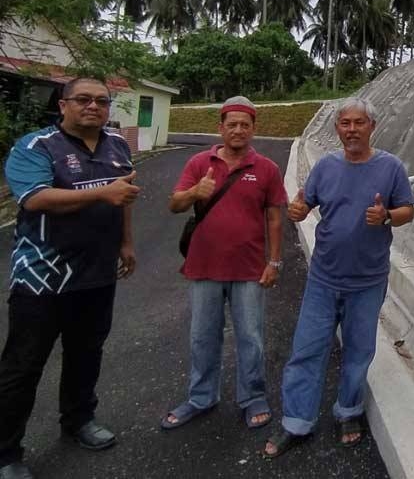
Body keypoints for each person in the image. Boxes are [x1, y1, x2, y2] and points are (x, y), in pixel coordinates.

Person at [0, 78, 139, 479]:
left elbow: (123, 195)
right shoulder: (36, 146)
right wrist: (101, 194)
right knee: (23, 366)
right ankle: (6, 452)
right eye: (83, 99)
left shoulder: (117, 145)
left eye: (101, 100)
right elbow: (36, 198)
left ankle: (78, 420)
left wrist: (126, 243)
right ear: (63, 105)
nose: (93, 106)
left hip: (96, 276)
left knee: (86, 354)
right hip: (42, 280)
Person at [263, 97, 414, 458]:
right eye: (345, 123)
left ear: (372, 127)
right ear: (337, 129)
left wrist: (387, 217)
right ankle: (296, 422)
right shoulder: (326, 167)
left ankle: (348, 411)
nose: (351, 129)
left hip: (368, 279)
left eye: (358, 123)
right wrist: (297, 211)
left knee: (359, 350)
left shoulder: (390, 167)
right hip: (324, 278)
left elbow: (408, 210)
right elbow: (304, 205)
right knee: (306, 349)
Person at [161, 96, 286, 431]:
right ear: (220, 128)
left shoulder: (267, 169)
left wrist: (274, 261)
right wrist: (193, 193)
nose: (238, 130)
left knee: (251, 337)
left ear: (253, 129)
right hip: (204, 266)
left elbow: (275, 217)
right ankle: (201, 397)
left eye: (245, 124)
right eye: (231, 124)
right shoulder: (199, 163)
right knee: (203, 336)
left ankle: (253, 396)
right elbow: (174, 204)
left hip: (248, 268)